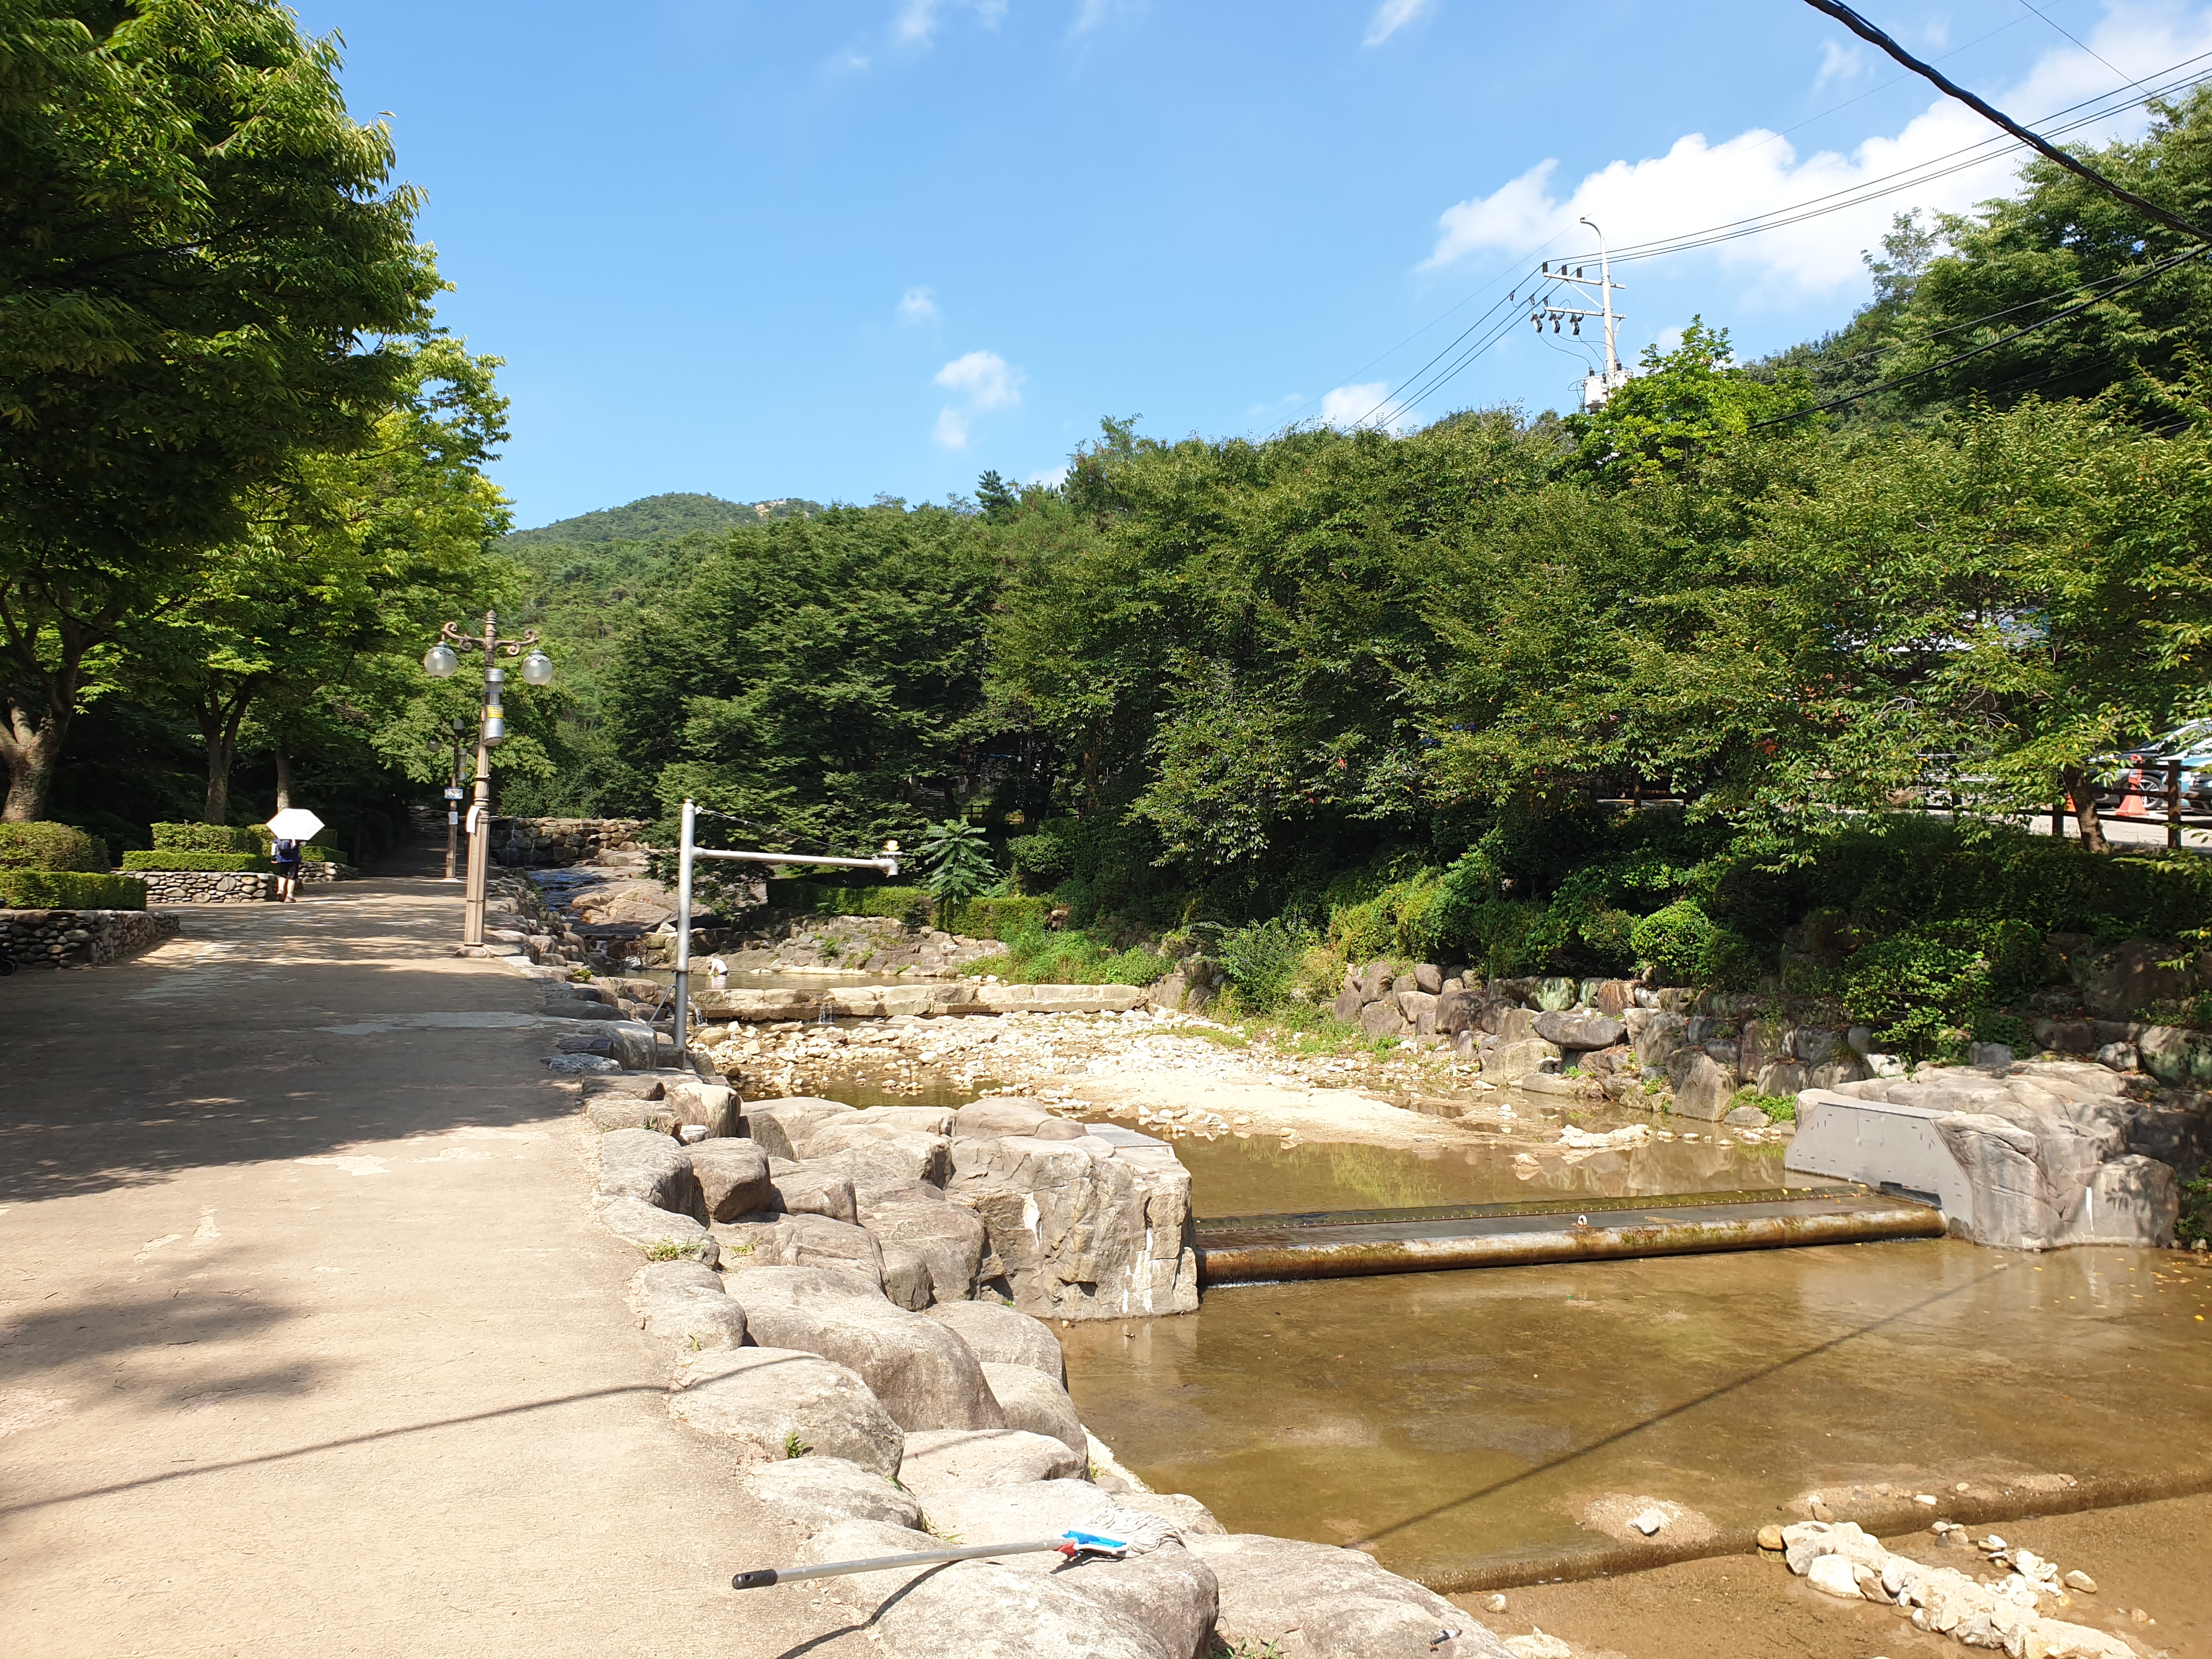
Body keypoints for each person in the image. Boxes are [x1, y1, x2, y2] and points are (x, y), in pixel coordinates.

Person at [272, 836, 304, 903]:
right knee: (292, 878)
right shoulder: (297, 833)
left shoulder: (280, 833)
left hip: (282, 858)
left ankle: (281, 890)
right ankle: (289, 896)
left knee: (282, 875)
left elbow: (274, 844)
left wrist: (273, 856)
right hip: (294, 858)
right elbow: (303, 844)